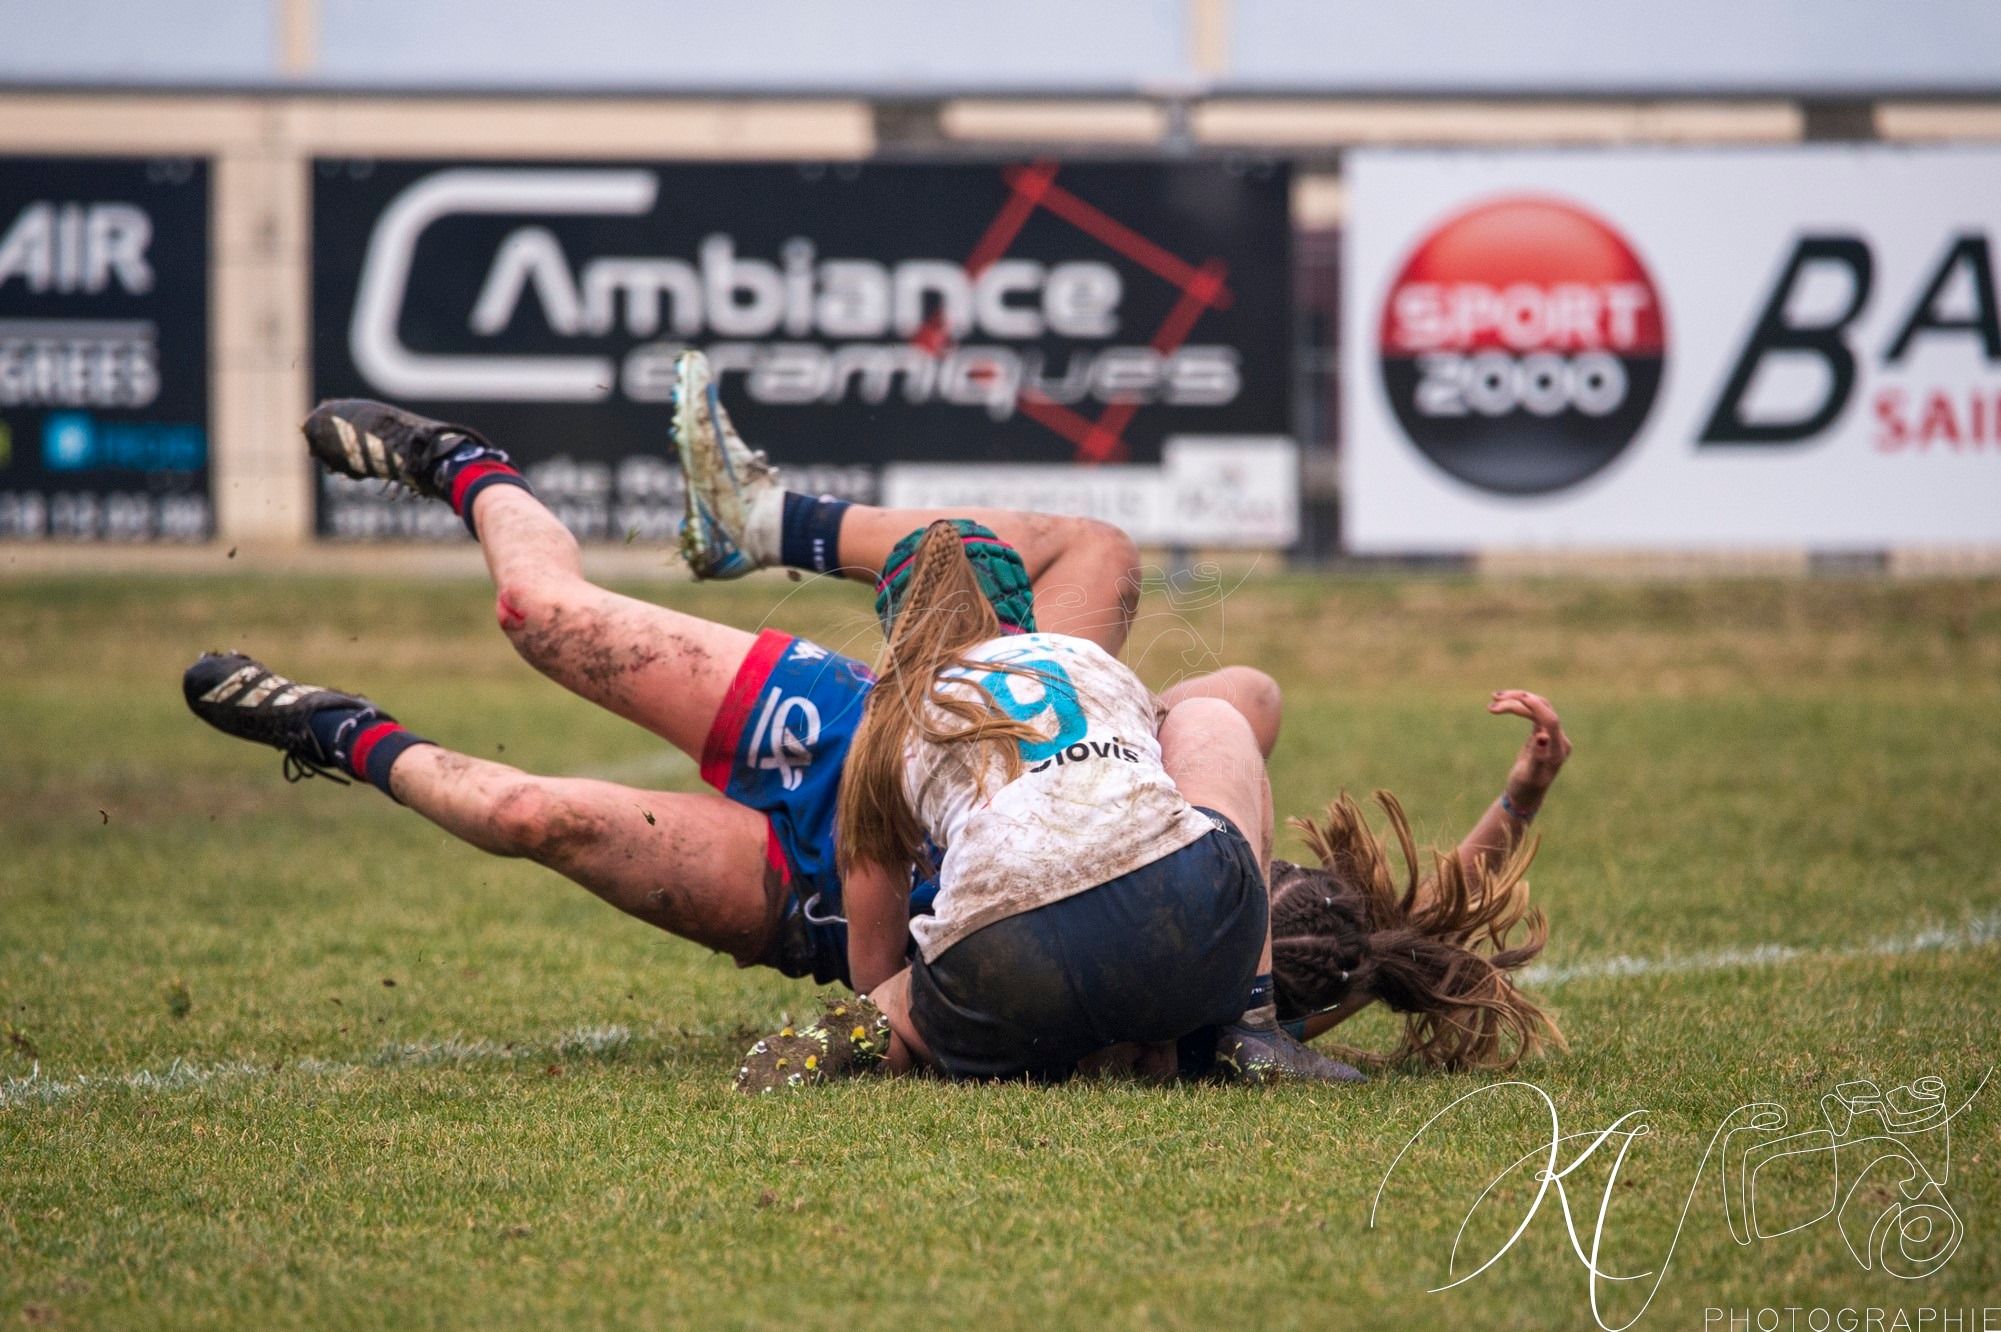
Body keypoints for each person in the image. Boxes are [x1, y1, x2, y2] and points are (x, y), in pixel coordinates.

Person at [181, 349, 1561, 1083]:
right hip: (854, 733)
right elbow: (1245, 724)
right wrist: (1511, 798)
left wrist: (873, 1012)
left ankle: (334, 732)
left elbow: (1405, 936)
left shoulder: (1191, 976)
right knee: (542, 620)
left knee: (537, 813)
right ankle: (472, 465)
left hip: (821, 892)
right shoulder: (1180, 849)